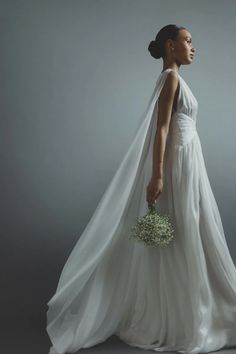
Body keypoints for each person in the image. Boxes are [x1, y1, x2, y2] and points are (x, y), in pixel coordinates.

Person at [46, 24, 236, 354]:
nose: (194, 47)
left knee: (190, 227)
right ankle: (187, 313)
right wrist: (157, 175)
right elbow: (161, 128)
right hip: (177, 163)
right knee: (184, 228)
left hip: (189, 159)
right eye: (187, 41)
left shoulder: (175, 79)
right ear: (170, 45)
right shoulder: (172, 79)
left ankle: (193, 306)